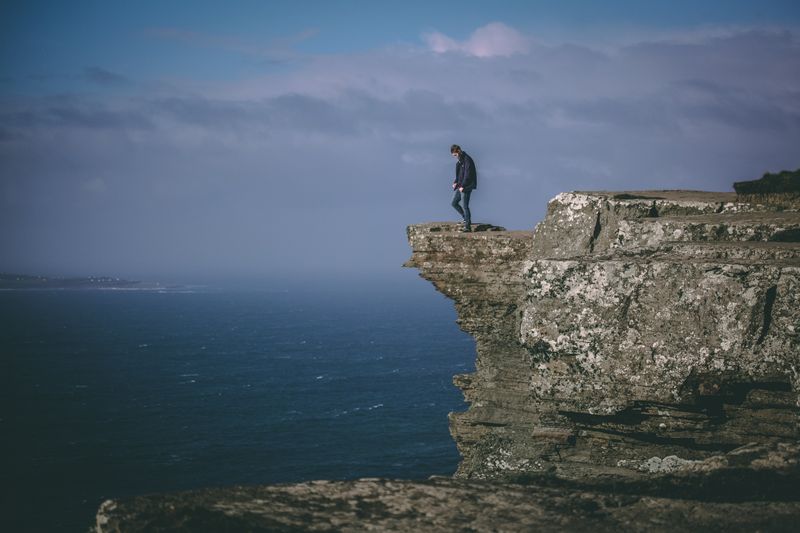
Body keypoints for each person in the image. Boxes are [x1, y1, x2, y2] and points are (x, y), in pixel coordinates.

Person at [450, 144, 477, 232]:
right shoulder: (459, 161)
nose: (455, 157)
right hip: (461, 186)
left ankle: (467, 227)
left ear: (459, 151)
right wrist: (455, 182)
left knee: (465, 206)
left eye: (455, 155)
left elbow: (467, 175)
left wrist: (462, 186)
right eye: (454, 156)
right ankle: (465, 218)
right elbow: (459, 176)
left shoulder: (467, 160)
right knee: (454, 203)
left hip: (466, 186)